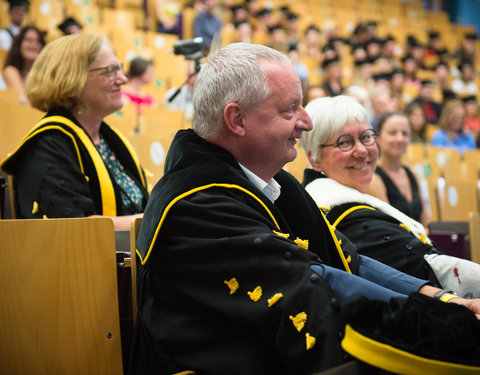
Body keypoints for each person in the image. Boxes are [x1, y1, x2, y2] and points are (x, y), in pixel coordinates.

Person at [129, 43, 480, 374]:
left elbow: (349, 260)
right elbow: (311, 282)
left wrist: (443, 299)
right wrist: (438, 316)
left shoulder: (271, 183)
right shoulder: (195, 204)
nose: (306, 122)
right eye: (289, 109)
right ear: (237, 120)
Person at [300, 95, 480, 299]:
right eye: (345, 142)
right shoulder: (345, 215)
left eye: (366, 137)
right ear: (315, 159)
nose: (361, 150)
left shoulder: (358, 193)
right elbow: (423, 266)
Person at [0, 34, 149, 231]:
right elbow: (75, 230)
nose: (123, 79)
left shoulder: (110, 139)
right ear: (73, 79)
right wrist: (153, 222)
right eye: (110, 71)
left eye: (119, 68)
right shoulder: (49, 145)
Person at [368, 112, 430, 227]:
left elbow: (425, 221)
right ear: (378, 138)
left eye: (405, 133)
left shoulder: (412, 173)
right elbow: (389, 226)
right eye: (392, 133)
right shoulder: (373, 178)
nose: (400, 138)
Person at [2, 25, 45, 103]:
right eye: (29, 40)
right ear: (19, 45)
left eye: (38, 41)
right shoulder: (10, 70)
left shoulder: (43, 76)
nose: (34, 45)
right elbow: (23, 101)